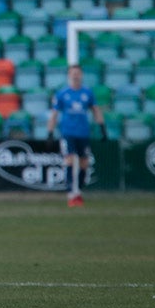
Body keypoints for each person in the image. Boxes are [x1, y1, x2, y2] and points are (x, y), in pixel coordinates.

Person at [46, 64, 107, 207]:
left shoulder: (87, 93)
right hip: (68, 132)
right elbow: (54, 114)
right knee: (70, 160)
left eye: (78, 73)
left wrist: (102, 128)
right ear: (69, 75)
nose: (75, 75)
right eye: (73, 73)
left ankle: (78, 191)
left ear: (81, 75)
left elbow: (95, 110)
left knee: (84, 163)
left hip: (83, 133)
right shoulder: (62, 94)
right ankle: (71, 193)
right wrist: (50, 132)